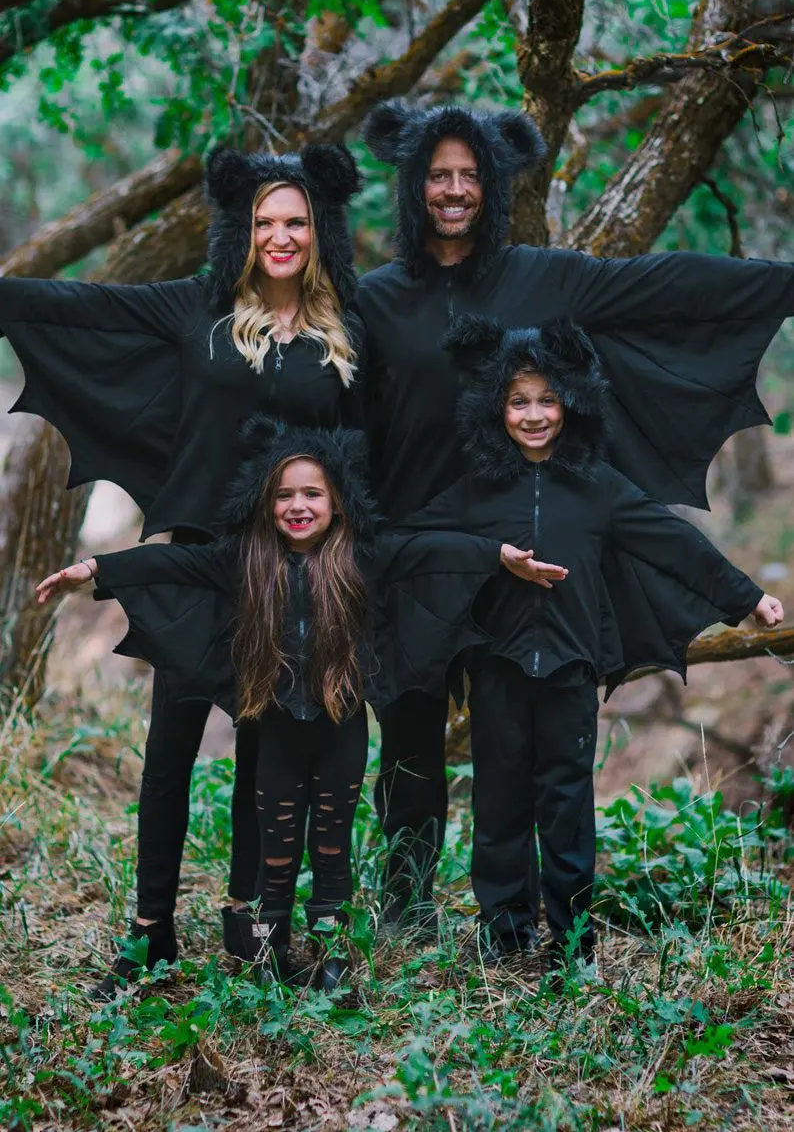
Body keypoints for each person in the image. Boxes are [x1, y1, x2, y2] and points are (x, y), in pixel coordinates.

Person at [356, 98, 794, 935]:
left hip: (536, 555)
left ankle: (540, 915)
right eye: (439, 175)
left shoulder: (545, 276)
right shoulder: (373, 298)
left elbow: (665, 285)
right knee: (409, 742)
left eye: (471, 174)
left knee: (537, 755)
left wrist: (784, 284)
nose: (455, 189)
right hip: (417, 552)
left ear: (493, 182)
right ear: (413, 185)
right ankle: (408, 913)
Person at [1, 142, 364, 995]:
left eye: (296, 222)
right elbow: (81, 309)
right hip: (196, 555)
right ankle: (149, 933)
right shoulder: (197, 308)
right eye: (265, 221)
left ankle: (249, 921)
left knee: (260, 751)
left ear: (318, 231)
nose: (279, 236)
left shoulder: (345, 329)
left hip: (287, 573)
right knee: (170, 750)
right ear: (242, 228)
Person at [35, 420, 513, 989]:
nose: (298, 505)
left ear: (338, 501)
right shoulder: (244, 560)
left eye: (313, 494)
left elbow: (432, 552)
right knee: (278, 849)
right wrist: (95, 569)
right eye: (284, 495)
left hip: (342, 726)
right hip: (278, 729)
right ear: (264, 502)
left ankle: (333, 953)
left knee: (332, 845)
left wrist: (498, 554)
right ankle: (268, 951)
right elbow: (167, 565)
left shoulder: (364, 558)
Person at [398, 314, 784, 965]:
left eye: (547, 399)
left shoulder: (599, 487)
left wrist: (745, 594)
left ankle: (571, 943)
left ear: (571, 401)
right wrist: (491, 552)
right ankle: (504, 937)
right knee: (499, 807)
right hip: (497, 667)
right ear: (497, 406)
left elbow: (673, 543)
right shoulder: (477, 489)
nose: (534, 414)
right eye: (519, 401)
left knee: (567, 808)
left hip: (573, 669)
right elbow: (413, 543)